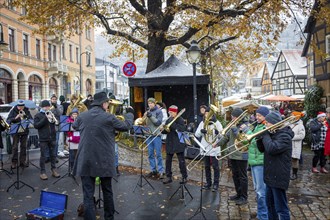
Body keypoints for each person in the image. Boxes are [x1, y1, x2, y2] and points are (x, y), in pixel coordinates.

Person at [72, 92, 134, 220]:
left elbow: (74, 125)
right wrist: (129, 114)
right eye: (108, 103)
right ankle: (109, 217)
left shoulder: (83, 116)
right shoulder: (109, 117)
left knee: (88, 195)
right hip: (103, 160)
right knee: (107, 191)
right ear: (104, 104)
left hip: (86, 159)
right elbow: (126, 126)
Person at [256, 111, 293, 220]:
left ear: (274, 123)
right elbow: (263, 149)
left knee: (281, 208)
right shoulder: (272, 133)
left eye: (267, 123)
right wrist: (259, 139)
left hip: (279, 176)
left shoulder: (285, 136)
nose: (265, 125)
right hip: (270, 176)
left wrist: (265, 135)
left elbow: (272, 149)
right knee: (270, 205)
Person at [214, 107, 249, 205]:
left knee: (242, 176)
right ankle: (238, 193)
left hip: (242, 154)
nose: (232, 118)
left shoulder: (246, 125)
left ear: (239, 117)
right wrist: (217, 143)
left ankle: (244, 196)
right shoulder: (233, 125)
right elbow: (226, 137)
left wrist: (235, 130)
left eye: (234, 117)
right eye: (232, 117)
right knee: (235, 175)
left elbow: (245, 140)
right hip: (232, 154)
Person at [247, 106, 269, 220]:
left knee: (261, 191)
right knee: (257, 190)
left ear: (265, 116)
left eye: (260, 115)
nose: (257, 117)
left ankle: (263, 216)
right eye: (257, 115)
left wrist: (250, 135)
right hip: (254, 161)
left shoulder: (265, 127)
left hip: (260, 162)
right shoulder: (257, 126)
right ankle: (261, 213)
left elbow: (258, 144)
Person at [195, 107, 223, 192]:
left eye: (208, 113)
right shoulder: (202, 123)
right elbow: (197, 134)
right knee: (206, 166)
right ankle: (208, 182)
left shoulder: (217, 123)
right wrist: (201, 131)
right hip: (205, 147)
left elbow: (222, 135)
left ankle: (216, 184)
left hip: (214, 147)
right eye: (206, 114)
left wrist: (217, 133)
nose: (207, 115)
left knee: (215, 167)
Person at [34, 100, 60, 180]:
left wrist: (53, 119)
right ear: (42, 107)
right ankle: (42, 172)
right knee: (43, 156)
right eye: (45, 106)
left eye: (48, 106)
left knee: (53, 155)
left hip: (52, 137)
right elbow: (36, 126)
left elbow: (56, 123)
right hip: (43, 138)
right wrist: (46, 118)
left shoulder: (51, 114)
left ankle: (53, 170)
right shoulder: (38, 115)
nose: (47, 108)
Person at [161, 105, 188, 184]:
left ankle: (184, 176)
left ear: (175, 112)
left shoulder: (180, 119)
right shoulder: (169, 119)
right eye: (169, 112)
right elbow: (166, 131)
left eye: (172, 112)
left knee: (181, 161)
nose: (170, 113)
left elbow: (181, 129)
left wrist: (172, 123)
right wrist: (163, 130)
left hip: (178, 142)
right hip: (170, 141)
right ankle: (168, 176)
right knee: (168, 161)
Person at [6, 100, 33, 169]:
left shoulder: (26, 110)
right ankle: (14, 162)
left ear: (24, 106)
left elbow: (31, 120)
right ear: (17, 106)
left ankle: (22, 162)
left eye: (22, 106)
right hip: (16, 131)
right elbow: (8, 120)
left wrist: (25, 116)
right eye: (19, 107)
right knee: (15, 147)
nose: (21, 108)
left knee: (24, 146)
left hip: (24, 131)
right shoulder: (13, 111)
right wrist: (16, 117)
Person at [145, 97, 165, 179]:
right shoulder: (148, 112)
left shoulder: (159, 111)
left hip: (156, 135)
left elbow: (158, 122)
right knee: (150, 154)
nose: (150, 105)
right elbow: (146, 123)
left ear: (154, 103)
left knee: (158, 154)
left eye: (151, 103)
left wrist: (150, 116)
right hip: (149, 135)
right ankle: (153, 170)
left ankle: (161, 171)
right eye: (149, 103)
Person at [289, 112, 305, 180]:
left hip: (295, 145)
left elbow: (302, 136)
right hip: (288, 145)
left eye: (292, 116)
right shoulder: (289, 124)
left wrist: (291, 137)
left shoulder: (300, 125)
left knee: (294, 160)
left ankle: (294, 174)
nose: (291, 117)